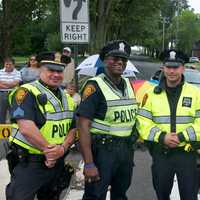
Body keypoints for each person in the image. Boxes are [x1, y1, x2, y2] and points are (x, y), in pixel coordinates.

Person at [6, 52, 76, 200]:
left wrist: (62, 149)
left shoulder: (68, 99)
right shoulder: (26, 92)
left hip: (56, 162)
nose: (56, 74)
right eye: (51, 70)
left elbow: (72, 129)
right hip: (30, 164)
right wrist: (49, 151)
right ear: (40, 70)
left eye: (59, 71)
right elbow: (26, 127)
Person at [77, 40, 138, 200]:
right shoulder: (94, 86)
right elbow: (83, 126)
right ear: (104, 60)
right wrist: (89, 163)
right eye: (115, 58)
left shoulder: (128, 84)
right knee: (95, 195)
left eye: (123, 59)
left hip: (126, 151)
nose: (120, 62)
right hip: (103, 152)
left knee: (120, 194)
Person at [137, 49, 200, 200]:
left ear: (183, 68)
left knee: (190, 196)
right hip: (161, 154)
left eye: (176, 67)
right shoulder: (151, 94)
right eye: (168, 67)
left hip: (188, 154)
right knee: (162, 194)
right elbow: (142, 122)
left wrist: (181, 136)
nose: (172, 71)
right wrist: (162, 137)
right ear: (163, 68)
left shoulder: (195, 93)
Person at [0, 57, 21, 123]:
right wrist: (10, 84)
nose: (8, 66)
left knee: (14, 111)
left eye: (10, 64)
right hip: (2, 94)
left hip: (14, 93)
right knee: (1, 112)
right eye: (7, 64)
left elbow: (15, 83)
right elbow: (12, 84)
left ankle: (14, 127)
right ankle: (1, 127)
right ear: (4, 64)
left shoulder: (17, 72)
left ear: (13, 65)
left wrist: (3, 83)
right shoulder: (0, 72)